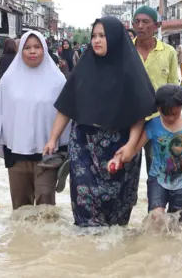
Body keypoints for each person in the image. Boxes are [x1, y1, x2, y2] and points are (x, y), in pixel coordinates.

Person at [44, 16, 156, 227]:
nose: (96, 40)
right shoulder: (83, 69)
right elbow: (66, 107)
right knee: (85, 210)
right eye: (94, 36)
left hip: (120, 149)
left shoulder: (130, 71)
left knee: (118, 218)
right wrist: (53, 139)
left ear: (114, 38)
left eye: (102, 36)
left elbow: (138, 116)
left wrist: (131, 146)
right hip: (84, 146)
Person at [0, 31, 70, 210]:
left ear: (44, 50)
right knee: (21, 208)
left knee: (46, 208)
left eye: (37, 47)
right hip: (16, 153)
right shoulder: (8, 80)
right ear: (20, 50)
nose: (32, 51)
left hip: (48, 155)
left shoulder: (58, 80)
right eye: (27, 47)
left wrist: (66, 147)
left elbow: (67, 114)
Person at [111, 84, 182, 225]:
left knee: (178, 224)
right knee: (155, 217)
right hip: (157, 180)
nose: (170, 118)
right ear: (158, 109)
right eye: (165, 114)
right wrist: (118, 157)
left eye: (175, 114)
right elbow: (135, 148)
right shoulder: (153, 125)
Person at [132, 6, 180, 173]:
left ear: (156, 26)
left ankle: (156, 200)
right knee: (127, 168)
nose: (140, 26)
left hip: (159, 121)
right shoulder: (126, 51)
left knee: (159, 170)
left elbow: (174, 87)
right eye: (136, 22)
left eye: (145, 22)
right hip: (130, 120)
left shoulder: (169, 52)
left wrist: (173, 119)